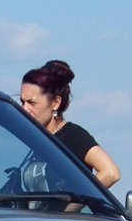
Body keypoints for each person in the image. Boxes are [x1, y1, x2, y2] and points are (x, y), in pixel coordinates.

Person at [19, 60, 121, 188]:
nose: (24, 108)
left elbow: (111, 173)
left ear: (55, 103)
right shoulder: (32, 139)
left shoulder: (73, 136)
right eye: (22, 102)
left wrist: (74, 206)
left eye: (31, 103)